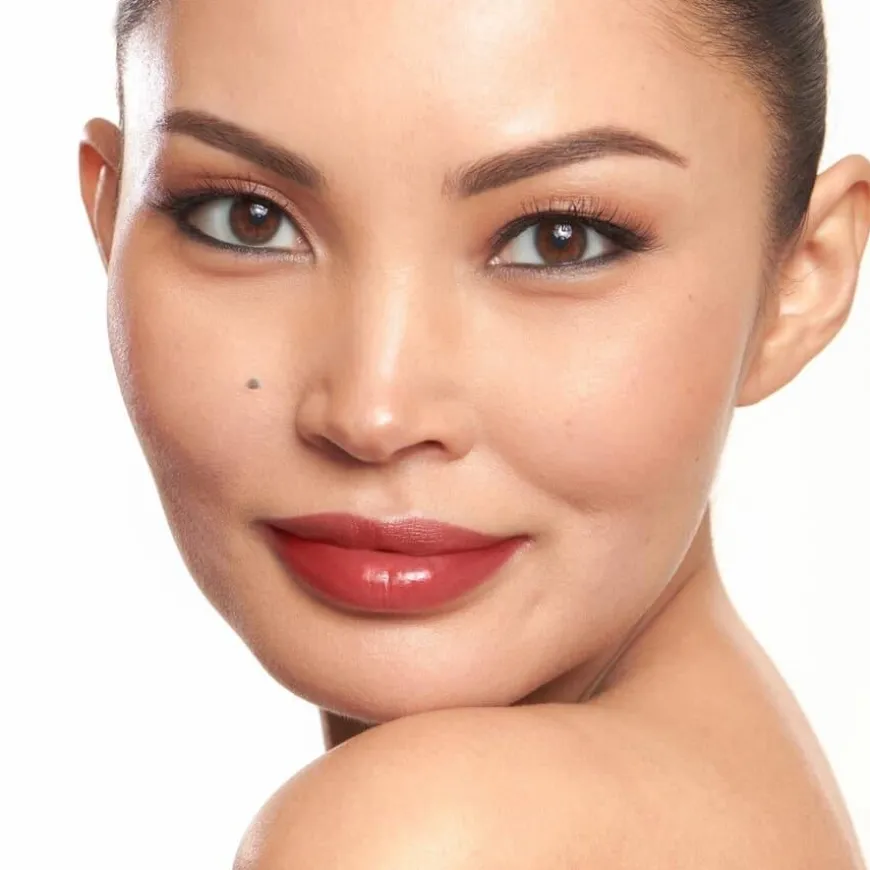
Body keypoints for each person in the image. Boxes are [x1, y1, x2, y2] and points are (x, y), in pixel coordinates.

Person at [79, 0, 870, 865]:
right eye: (245, 219)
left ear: (802, 281)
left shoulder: (425, 836)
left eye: (559, 241)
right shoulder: (748, 797)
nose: (373, 414)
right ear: (108, 223)